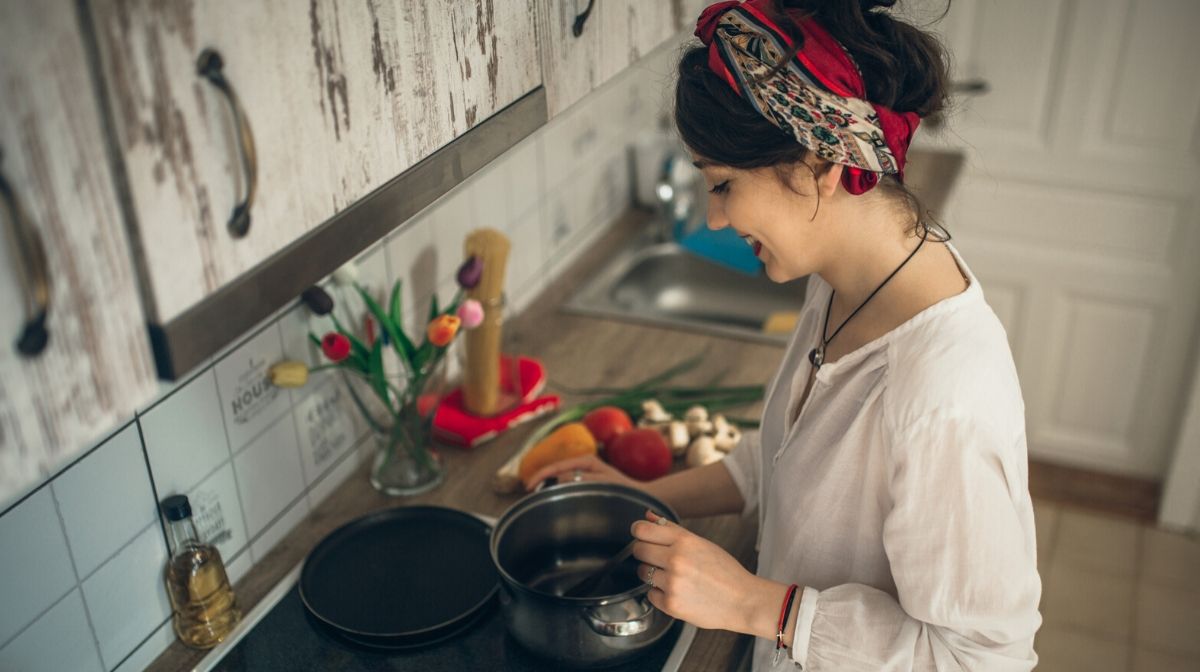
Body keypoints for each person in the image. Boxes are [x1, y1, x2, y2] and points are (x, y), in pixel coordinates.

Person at [525, 0, 1041, 669]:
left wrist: (756, 605)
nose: (713, 218)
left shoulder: (943, 395)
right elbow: (788, 462)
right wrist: (640, 497)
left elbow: (983, 657)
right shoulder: (843, 279)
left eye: (722, 184)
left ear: (817, 165)